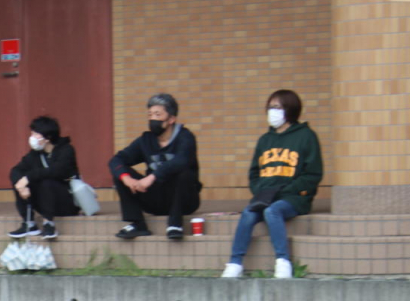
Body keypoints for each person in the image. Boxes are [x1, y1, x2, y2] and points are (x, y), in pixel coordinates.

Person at [221, 90, 323, 279]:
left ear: (289, 110)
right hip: (265, 196)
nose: (272, 111)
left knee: (272, 211)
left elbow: (313, 174)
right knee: (248, 213)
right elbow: (254, 173)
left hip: (293, 198)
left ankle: (283, 262)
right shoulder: (265, 140)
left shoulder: (306, 136)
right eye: (270, 107)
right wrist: (260, 190)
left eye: (277, 107)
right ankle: (235, 263)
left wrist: (288, 190)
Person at [109, 94, 201, 240]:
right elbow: (116, 160)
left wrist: (152, 176)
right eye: (150, 115)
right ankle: (137, 224)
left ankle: (175, 224)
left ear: (171, 119)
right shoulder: (146, 140)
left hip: (185, 201)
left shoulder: (185, 137)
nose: (153, 119)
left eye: (157, 114)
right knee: (120, 173)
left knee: (184, 172)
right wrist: (127, 179)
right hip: (156, 200)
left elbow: (181, 160)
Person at [7, 116, 80, 240]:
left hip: (67, 202)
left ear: (48, 137)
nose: (31, 137)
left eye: (36, 134)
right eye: (32, 133)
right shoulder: (35, 154)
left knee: (46, 181)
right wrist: (21, 186)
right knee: (20, 181)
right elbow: (16, 170)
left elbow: (56, 171)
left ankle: (49, 225)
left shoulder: (66, 150)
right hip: (45, 202)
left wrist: (28, 178)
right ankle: (29, 224)